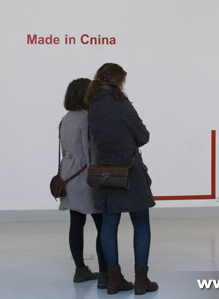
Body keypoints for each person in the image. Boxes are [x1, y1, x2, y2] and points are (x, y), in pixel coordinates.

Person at [85, 63, 158, 295]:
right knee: (141, 223)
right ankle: (141, 280)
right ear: (118, 81)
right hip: (130, 171)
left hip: (105, 173)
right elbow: (143, 136)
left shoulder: (92, 107)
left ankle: (114, 280)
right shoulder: (122, 105)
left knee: (108, 224)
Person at [58, 78, 108, 287]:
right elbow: (90, 151)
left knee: (76, 223)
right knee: (102, 223)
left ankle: (80, 269)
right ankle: (105, 273)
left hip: (68, 175)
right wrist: (98, 177)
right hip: (86, 175)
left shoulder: (65, 119)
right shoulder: (87, 119)